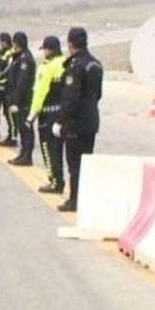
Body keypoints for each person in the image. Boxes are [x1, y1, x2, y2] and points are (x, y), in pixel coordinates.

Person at [53, 27, 103, 212]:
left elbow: (70, 98)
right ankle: (82, 197)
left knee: (75, 164)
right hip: (91, 121)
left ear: (70, 43)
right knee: (85, 162)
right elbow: (97, 94)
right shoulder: (95, 64)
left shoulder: (76, 66)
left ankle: (75, 200)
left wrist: (60, 120)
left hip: (75, 123)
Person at [26, 36, 65, 193]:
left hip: (48, 114)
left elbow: (40, 93)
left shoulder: (47, 67)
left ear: (50, 49)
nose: (44, 53)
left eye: (45, 50)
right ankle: (59, 179)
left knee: (48, 149)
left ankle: (55, 181)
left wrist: (32, 114)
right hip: (62, 113)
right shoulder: (65, 64)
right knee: (59, 149)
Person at [6, 31, 36, 166]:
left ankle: (27, 155)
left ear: (16, 43)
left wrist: (16, 101)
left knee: (26, 128)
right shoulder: (19, 57)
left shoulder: (25, 59)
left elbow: (22, 82)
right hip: (21, 99)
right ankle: (23, 153)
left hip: (25, 100)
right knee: (22, 129)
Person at [0, 32, 18, 146]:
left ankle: (13, 137)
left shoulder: (10, 54)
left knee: (10, 115)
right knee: (7, 113)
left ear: (5, 42)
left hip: (8, 89)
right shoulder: (4, 53)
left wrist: (0, 83)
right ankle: (10, 135)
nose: (0, 44)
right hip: (4, 88)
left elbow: (8, 72)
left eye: (1, 42)